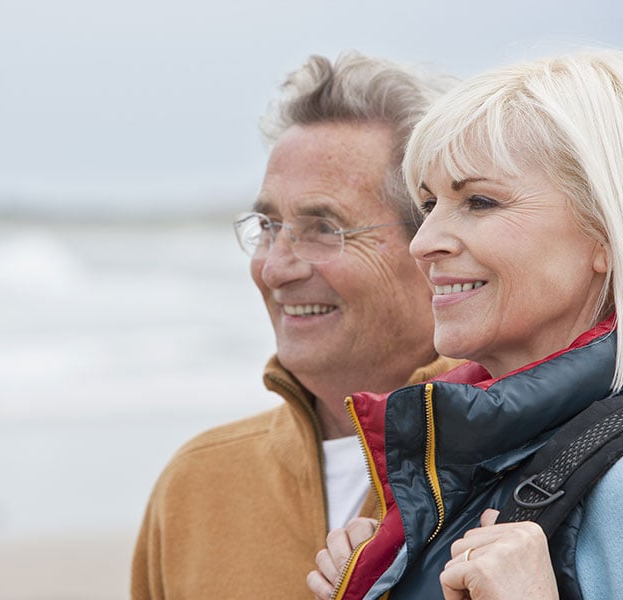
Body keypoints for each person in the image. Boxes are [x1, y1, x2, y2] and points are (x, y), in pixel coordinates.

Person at [307, 48, 623, 600]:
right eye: (429, 204)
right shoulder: (474, 460)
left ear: (607, 236)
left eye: (479, 201)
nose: (423, 242)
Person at [130, 52, 460, 599]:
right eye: (268, 225)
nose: (274, 267)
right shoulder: (197, 485)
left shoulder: (521, 470)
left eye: (323, 228)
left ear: (434, 246)